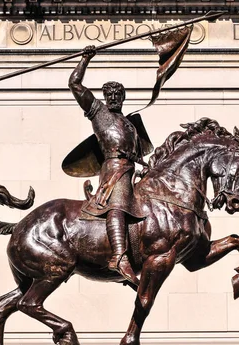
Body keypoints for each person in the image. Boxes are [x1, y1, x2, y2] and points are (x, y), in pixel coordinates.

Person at [67, 45, 146, 286]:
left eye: (117, 94)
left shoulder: (130, 124)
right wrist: (84, 59)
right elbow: (75, 85)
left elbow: (137, 152)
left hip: (131, 169)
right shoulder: (99, 113)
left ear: (123, 97)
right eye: (108, 94)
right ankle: (118, 256)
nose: (112, 97)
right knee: (119, 202)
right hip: (114, 171)